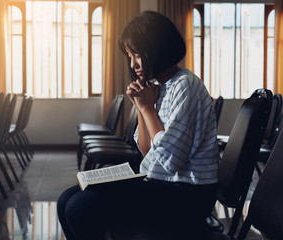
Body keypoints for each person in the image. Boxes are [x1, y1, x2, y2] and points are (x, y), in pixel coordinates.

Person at [57, 11, 220, 240]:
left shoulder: (185, 85)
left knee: (79, 207)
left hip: (189, 194)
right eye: (129, 55)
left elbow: (168, 162)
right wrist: (140, 105)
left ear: (158, 48)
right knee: (66, 199)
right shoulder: (158, 86)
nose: (133, 64)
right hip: (165, 184)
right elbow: (147, 152)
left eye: (137, 54)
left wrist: (146, 109)